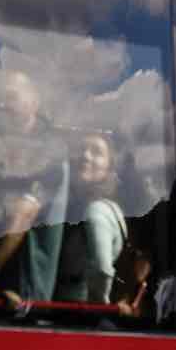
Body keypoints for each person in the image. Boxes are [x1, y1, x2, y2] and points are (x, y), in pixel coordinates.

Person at [0, 70, 69, 309]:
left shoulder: (51, 151)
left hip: (24, 293)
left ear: (34, 102)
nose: (2, 105)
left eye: (10, 97)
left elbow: (23, 214)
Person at [55, 131, 126, 305]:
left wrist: (97, 310)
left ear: (109, 166)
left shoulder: (96, 211)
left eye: (96, 152)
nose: (86, 156)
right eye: (82, 149)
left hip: (78, 309)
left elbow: (102, 270)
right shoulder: (76, 207)